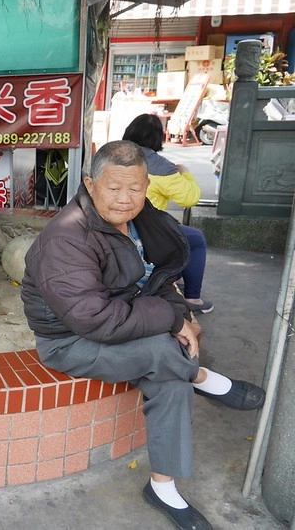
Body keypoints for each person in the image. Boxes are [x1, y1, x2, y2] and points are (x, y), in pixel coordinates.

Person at [21, 141, 265, 530]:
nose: (126, 199)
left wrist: (179, 310)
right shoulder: (66, 239)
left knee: (169, 379)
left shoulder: (138, 217)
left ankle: (162, 486)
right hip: (71, 341)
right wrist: (172, 319)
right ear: (90, 184)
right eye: (114, 188)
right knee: (166, 349)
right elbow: (96, 320)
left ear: (147, 184)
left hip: (124, 315)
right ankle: (204, 379)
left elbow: (157, 275)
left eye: (135, 188)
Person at [123, 113, 213, 314]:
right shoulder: (161, 167)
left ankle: (173, 276)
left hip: (112, 224)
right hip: (144, 231)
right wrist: (185, 171)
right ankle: (193, 299)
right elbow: (190, 198)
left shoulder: (112, 155)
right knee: (195, 239)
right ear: (157, 138)